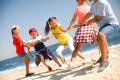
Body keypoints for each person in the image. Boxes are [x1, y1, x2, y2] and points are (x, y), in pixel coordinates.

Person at [79, 0, 120, 72]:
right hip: (103, 26)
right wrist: (81, 22)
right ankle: (104, 56)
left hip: (111, 24)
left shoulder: (101, 2)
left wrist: (89, 21)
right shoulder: (93, 4)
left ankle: (105, 62)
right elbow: (89, 13)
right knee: (98, 38)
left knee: (101, 34)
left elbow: (98, 18)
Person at [66, 0, 98, 68]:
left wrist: (70, 26)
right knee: (100, 40)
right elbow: (93, 18)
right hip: (90, 27)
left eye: (77, 0)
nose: (76, 2)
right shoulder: (90, 7)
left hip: (81, 28)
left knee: (77, 48)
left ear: (80, 0)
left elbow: (73, 19)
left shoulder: (78, 9)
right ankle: (106, 54)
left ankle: (71, 63)